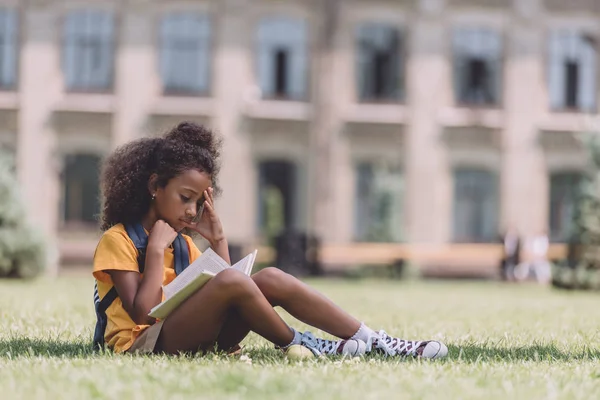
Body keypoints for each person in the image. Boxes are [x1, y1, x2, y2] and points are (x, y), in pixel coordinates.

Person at [92, 122, 448, 359]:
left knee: (270, 277)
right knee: (235, 279)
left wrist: (218, 241)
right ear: (155, 186)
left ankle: (375, 341)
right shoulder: (118, 239)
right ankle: (301, 343)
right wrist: (154, 250)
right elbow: (143, 313)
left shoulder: (182, 244)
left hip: (190, 336)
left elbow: (219, 290)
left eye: (199, 202)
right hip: (144, 345)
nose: (191, 210)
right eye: (185, 198)